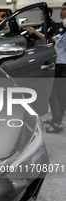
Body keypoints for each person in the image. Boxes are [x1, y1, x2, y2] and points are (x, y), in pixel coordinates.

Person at [44, 5, 66, 133]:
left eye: (63, 9)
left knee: (52, 93)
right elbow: (54, 40)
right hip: (61, 64)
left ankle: (57, 122)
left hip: (62, 64)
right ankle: (57, 118)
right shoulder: (63, 30)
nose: (61, 11)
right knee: (60, 93)